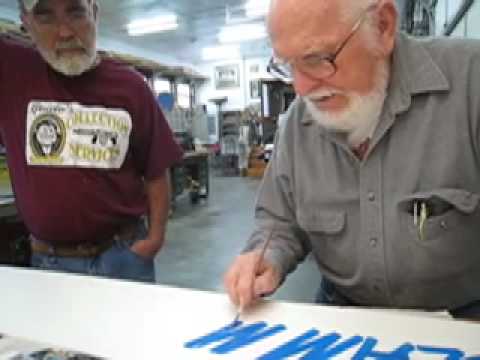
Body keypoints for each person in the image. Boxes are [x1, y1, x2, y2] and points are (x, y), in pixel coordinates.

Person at [224, 0, 480, 319]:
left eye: (317, 59)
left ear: (383, 26)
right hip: (344, 311)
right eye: (289, 66)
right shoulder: (296, 125)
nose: (302, 88)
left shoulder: (471, 83)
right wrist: (267, 256)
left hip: (464, 317)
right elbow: (279, 221)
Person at [0, 0, 183, 282]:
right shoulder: (11, 75)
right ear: (27, 23)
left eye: (75, 12)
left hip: (124, 256)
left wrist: (154, 238)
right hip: (51, 266)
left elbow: (156, 170)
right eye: (45, 17)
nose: (64, 32)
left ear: (94, 13)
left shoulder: (131, 86)